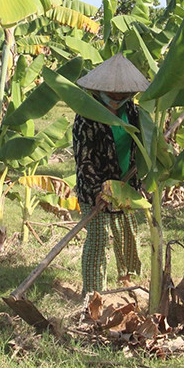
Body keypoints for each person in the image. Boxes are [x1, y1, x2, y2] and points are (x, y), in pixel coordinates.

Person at [73, 53, 149, 296]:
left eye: (121, 96)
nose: (116, 100)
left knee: (127, 237)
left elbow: (144, 143)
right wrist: (98, 191)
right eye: (112, 96)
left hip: (126, 185)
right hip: (96, 190)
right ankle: (93, 293)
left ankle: (127, 285)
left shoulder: (134, 112)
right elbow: (84, 159)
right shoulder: (87, 117)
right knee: (97, 241)